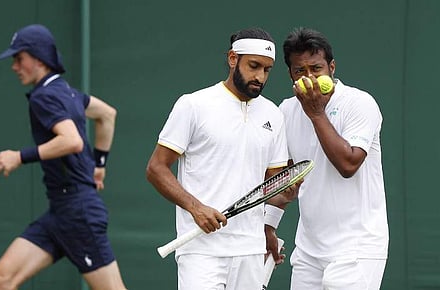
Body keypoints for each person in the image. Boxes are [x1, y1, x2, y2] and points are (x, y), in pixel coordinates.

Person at [146, 27, 300, 290]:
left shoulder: (273, 115)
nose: (260, 77)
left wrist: (286, 195)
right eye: (253, 66)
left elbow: (271, 186)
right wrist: (196, 208)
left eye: (267, 69)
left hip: (251, 250)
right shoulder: (194, 105)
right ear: (232, 58)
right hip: (201, 251)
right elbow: (156, 168)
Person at [0, 24, 128, 290]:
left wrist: (19, 156)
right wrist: (99, 165)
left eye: (19, 59)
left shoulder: (44, 96)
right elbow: (107, 115)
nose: (14, 66)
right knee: (1, 278)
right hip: (60, 212)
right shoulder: (68, 92)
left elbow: (72, 141)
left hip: (78, 213)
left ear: (38, 58)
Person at [279, 27, 389, 290]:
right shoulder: (286, 110)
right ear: (290, 75)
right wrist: (269, 227)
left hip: (357, 249)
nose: (309, 78)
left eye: (316, 69)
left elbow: (348, 165)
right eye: (299, 71)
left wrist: (316, 114)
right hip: (309, 251)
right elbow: (285, 180)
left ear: (332, 67)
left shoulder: (360, 104)